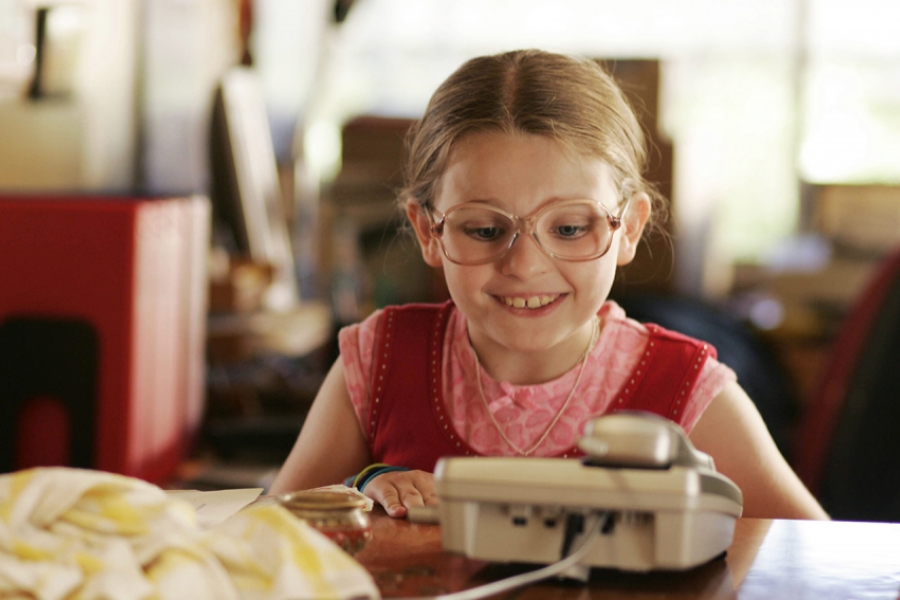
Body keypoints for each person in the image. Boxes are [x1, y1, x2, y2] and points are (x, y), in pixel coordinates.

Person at [271, 49, 828, 521]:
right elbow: (266, 545)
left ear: (628, 227)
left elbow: (822, 565)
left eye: (568, 227)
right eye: (486, 229)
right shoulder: (379, 360)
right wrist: (355, 492)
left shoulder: (689, 392)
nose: (525, 266)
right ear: (428, 231)